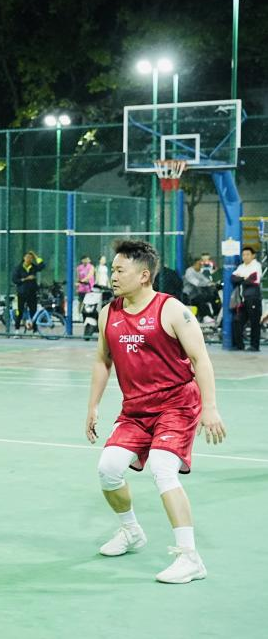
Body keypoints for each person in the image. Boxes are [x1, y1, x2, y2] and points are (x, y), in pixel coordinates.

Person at [86, 239, 227, 584]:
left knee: (163, 468)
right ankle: (132, 532)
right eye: (113, 270)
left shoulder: (171, 310)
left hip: (177, 404)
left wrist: (210, 407)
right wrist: (92, 406)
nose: (113, 276)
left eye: (120, 270)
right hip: (136, 409)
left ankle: (190, 558)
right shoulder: (108, 314)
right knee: (108, 469)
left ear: (144, 275)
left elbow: (200, 359)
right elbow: (103, 361)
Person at [231, 246, 262, 352]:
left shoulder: (256, 265)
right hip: (243, 300)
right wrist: (244, 278)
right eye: (243, 255)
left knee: (254, 322)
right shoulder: (241, 266)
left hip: (253, 298)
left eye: (248, 254)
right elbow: (233, 278)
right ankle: (239, 345)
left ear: (253, 256)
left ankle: (255, 346)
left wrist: (241, 278)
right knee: (237, 320)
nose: (245, 257)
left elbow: (252, 280)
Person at [12, 250, 45, 331]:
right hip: (22, 293)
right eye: (27, 257)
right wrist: (26, 278)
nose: (29, 259)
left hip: (32, 293)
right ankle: (17, 330)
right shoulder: (18, 268)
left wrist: (35, 255)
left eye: (31, 258)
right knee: (20, 312)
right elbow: (15, 280)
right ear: (24, 258)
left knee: (33, 311)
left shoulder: (33, 267)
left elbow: (42, 265)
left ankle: (35, 331)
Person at [181, 257, 218, 323]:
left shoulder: (198, 272)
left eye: (201, 264)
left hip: (198, 294)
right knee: (200, 299)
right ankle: (205, 317)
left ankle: (215, 315)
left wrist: (212, 283)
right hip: (189, 295)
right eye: (199, 264)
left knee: (213, 297)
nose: (201, 266)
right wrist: (208, 284)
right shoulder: (189, 272)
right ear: (194, 264)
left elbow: (206, 280)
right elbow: (197, 283)